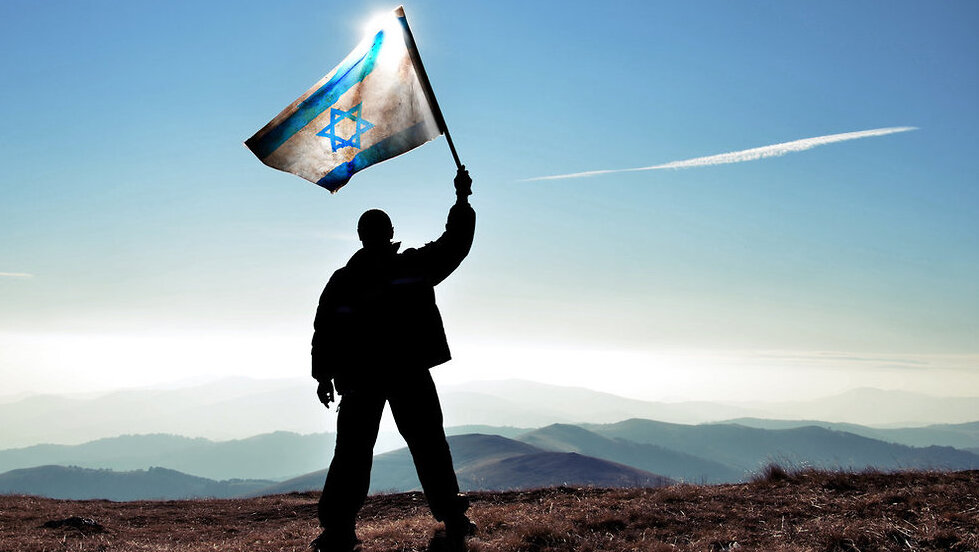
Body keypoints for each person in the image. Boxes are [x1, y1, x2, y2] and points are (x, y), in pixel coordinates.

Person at [310, 167, 476, 552]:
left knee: (356, 454)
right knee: (426, 446)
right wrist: (463, 200)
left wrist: (323, 375)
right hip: (402, 373)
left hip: (366, 377)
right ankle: (451, 516)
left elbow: (324, 331)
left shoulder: (347, 279)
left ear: (367, 236)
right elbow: (454, 244)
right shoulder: (407, 269)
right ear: (388, 233)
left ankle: (339, 529)